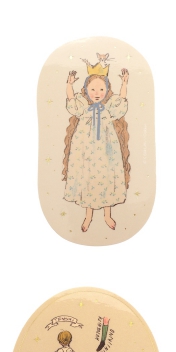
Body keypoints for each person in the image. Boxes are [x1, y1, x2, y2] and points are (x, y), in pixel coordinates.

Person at [62, 61, 131, 232]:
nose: (97, 93)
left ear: (107, 90)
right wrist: (69, 85)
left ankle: (107, 215)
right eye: (93, 89)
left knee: (107, 177)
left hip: (107, 149)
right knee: (87, 177)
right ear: (86, 90)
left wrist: (124, 84)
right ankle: (88, 216)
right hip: (85, 149)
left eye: (101, 89)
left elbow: (121, 101)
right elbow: (71, 101)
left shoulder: (109, 108)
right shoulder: (83, 108)